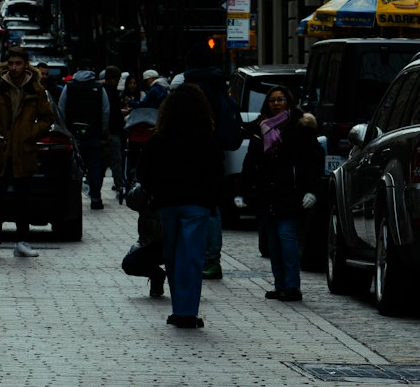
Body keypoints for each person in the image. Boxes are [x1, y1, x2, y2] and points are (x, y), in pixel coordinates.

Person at [137, 81, 224, 329]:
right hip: (197, 203)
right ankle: (188, 310)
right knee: (192, 257)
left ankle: (179, 309)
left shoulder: (159, 140)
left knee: (173, 255)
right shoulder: (207, 140)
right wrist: (212, 199)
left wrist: (155, 192)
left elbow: (143, 172)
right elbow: (217, 173)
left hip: (167, 203)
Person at [241, 84, 322, 303]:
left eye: (281, 99)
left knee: (287, 237)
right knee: (273, 242)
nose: (276, 103)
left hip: (290, 192)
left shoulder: (300, 128)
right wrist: (246, 189)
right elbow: (251, 162)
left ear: (288, 102)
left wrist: (311, 190)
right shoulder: (262, 129)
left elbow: (313, 161)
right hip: (266, 193)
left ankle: (292, 286)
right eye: (272, 100)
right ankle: (280, 285)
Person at [176, 46, 244, 280]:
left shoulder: (194, 88)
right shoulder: (219, 85)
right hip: (215, 154)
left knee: (199, 207)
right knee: (212, 207)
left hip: (193, 155)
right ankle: (212, 259)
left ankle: (206, 258)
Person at [0, 47, 53, 257]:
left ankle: (22, 241)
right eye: (10, 63)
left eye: (18, 64)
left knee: (23, 200)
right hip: (0, 153)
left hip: (24, 152)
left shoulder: (36, 90)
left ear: (26, 65)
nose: (14, 68)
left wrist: (31, 132)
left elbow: (47, 118)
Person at [58, 63, 110, 209]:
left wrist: (66, 131)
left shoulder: (68, 87)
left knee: (72, 168)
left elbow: (61, 109)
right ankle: (95, 198)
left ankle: (71, 199)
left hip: (73, 135)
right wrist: (100, 130)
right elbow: (105, 111)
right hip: (93, 134)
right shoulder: (100, 89)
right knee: (94, 167)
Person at [100, 65, 125, 200]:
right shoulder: (110, 92)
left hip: (106, 131)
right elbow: (112, 112)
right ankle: (119, 185)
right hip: (112, 131)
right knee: (115, 160)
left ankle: (96, 188)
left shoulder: (103, 91)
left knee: (104, 161)